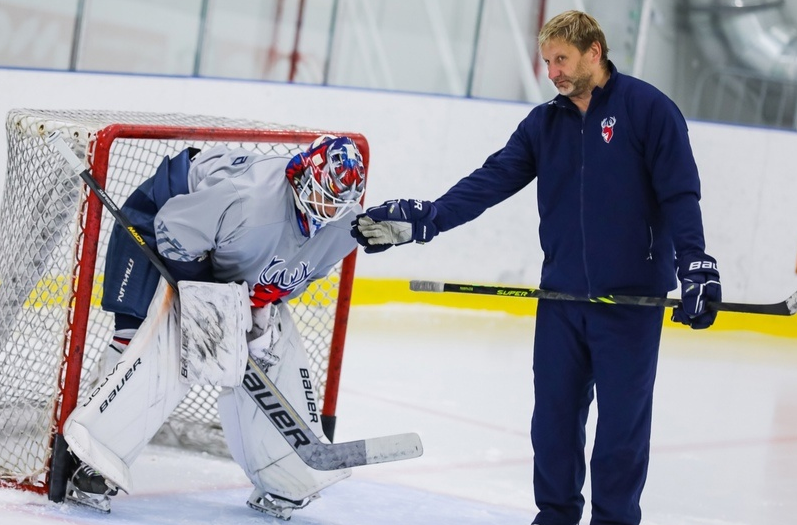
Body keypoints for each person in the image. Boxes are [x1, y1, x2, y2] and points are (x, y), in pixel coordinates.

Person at [351, 10, 721, 525]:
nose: (553, 72)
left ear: (595, 51)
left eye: (561, 59)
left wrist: (696, 266)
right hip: (562, 300)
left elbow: (680, 194)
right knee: (552, 422)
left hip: (629, 304)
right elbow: (492, 179)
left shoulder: (649, 110)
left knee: (620, 431)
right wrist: (429, 219)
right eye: (547, 62)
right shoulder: (545, 123)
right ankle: (555, 516)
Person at [64, 134, 366, 520]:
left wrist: (255, 307)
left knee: (265, 347)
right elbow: (175, 230)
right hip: (164, 221)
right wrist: (212, 303)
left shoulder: (343, 228)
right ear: (304, 175)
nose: (329, 208)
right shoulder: (251, 201)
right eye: (324, 195)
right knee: (145, 338)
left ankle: (284, 473)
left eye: (339, 202)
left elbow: (288, 271)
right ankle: (90, 456)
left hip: (220, 243)